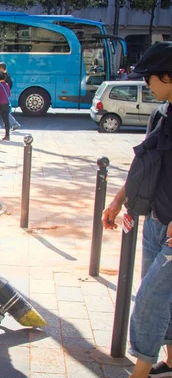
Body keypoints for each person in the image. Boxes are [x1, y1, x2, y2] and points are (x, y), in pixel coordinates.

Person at [102, 41, 172, 378]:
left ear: (168, 76)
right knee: (163, 297)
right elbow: (143, 164)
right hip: (157, 220)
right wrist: (118, 200)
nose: (145, 85)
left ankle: (140, 372)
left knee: (149, 299)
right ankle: (170, 361)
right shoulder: (162, 113)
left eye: (149, 79)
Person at [0, 62, 21, 131]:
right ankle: (13, 124)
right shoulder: (7, 74)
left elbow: (2, 86)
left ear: (1, 68)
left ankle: (14, 124)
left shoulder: (3, 75)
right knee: (3, 111)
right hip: (5, 95)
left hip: (2, 96)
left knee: (2, 111)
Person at [0, 71, 11, 141]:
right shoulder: (7, 85)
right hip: (6, 104)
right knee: (6, 121)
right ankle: (7, 135)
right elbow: (9, 94)